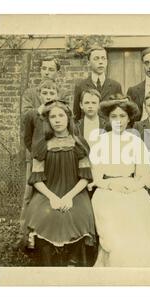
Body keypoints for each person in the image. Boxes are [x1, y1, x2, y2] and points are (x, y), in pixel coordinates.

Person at [23, 101, 96, 266]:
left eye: (61, 115)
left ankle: (75, 262)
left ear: (68, 118)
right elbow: (37, 179)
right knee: (44, 215)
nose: (57, 120)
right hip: (47, 191)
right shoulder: (42, 145)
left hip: (75, 191)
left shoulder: (79, 144)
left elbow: (85, 177)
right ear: (47, 121)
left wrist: (69, 197)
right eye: (52, 116)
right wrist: (53, 198)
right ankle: (47, 265)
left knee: (80, 216)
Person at [88, 94, 150, 267]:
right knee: (116, 238)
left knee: (138, 228)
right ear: (108, 119)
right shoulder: (100, 141)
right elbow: (96, 176)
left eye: (122, 116)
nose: (118, 120)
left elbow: (145, 176)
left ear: (129, 119)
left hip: (132, 190)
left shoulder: (135, 141)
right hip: (107, 190)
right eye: (114, 116)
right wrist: (112, 184)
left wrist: (133, 185)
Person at [20, 56, 69, 231]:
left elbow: (67, 119)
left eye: (51, 69)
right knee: (30, 192)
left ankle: (54, 229)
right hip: (36, 152)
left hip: (58, 153)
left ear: (56, 72)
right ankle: (26, 232)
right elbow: (25, 117)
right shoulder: (30, 93)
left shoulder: (62, 94)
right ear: (40, 70)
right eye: (44, 68)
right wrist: (35, 150)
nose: (47, 72)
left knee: (55, 189)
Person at [72, 46, 123, 121]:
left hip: (109, 129)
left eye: (103, 58)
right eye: (96, 58)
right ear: (89, 62)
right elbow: (77, 115)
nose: (100, 62)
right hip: (88, 129)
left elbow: (120, 111)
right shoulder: (80, 86)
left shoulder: (116, 86)